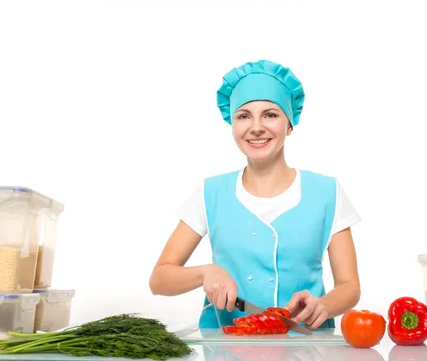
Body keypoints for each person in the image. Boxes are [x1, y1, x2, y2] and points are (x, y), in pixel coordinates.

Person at [149, 59, 361, 330]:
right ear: (233, 124)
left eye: (270, 114)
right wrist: (204, 273)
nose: (256, 127)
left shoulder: (327, 193)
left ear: (290, 123)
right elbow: (159, 279)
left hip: (306, 348)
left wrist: (324, 305)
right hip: (227, 345)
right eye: (244, 116)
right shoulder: (210, 193)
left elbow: (350, 286)